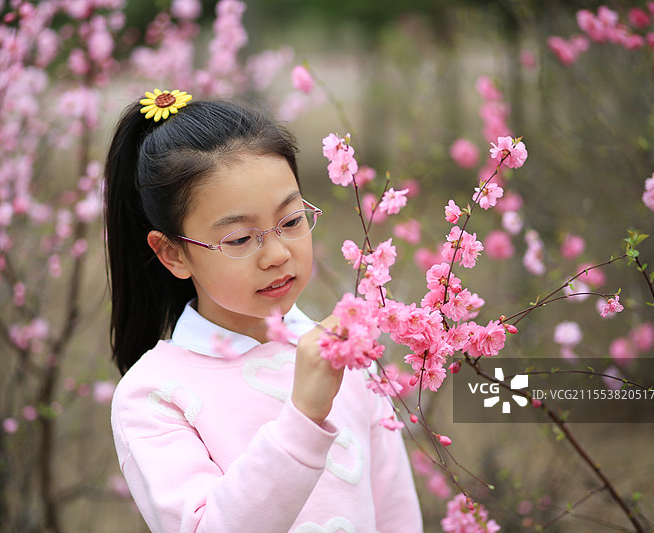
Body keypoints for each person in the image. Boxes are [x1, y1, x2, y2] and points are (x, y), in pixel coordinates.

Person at [105, 88, 423, 532]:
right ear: (173, 254)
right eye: (239, 238)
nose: (276, 254)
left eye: (291, 221)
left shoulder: (344, 354)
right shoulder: (155, 396)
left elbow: (396, 517)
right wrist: (303, 418)